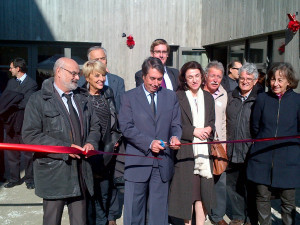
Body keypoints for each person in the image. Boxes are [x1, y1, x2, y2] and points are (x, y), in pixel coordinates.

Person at [22, 57, 101, 225]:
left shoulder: (83, 98)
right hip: (53, 174)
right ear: (58, 71)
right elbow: (30, 136)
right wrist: (65, 148)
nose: (77, 77)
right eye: (73, 73)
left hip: (81, 173)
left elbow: (95, 126)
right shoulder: (38, 100)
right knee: (52, 221)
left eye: (78, 74)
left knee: (80, 221)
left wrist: (91, 142)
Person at [119, 57, 181, 225]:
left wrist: (175, 137)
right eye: (152, 78)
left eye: (159, 79)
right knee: (134, 214)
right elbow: (126, 127)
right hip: (137, 163)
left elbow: (176, 124)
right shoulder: (129, 97)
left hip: (162, 163)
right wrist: (148, 143)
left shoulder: (170, 96)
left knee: (158, 215)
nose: (156, 83)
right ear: (144, 76)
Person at [247, 62, 300, 225]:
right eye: (272, 79)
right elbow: (255, 126)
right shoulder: (262, 98)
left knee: (288, 202)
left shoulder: (297, 100)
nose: (275, 83)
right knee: (262, 198)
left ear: (289, 81)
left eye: (280, 80)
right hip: (262, 158)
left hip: (288, 160)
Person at [168, 61, 215, 225]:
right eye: (190, 77)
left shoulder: (208, 97)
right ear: (184, 79)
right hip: (186, 153)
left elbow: (212, 122)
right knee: (187, 196)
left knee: (202, 196)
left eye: (197, 76)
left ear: (202, 77)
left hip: (204, 154)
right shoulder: (177, 97)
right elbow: (174, 124)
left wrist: (209, 128)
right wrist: (193, 131)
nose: (194, 80)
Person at [81, 60, 122, 225]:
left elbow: (114, 120)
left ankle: (103, 220)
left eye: (103, 75)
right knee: (90, 194)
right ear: (88, 77)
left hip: (107, 150)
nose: (101, 79)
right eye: (97, 75)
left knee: (104, 191)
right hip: (89, 151)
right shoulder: (80, 95)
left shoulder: (108, 92)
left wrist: (115, 139)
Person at [226, 63, 259, 225]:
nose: (245, 81)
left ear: (255, 81)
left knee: (250, 187)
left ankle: (251, 217)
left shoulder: (260, 98)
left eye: (249, 79)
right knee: (233, 186)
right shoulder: (231, 96)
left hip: (251, 152)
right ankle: (238, 216)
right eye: (242, 78)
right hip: (232, 150)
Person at [0, 58, 38, 189]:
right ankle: (14, 178)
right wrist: (14, 100)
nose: (9, 70)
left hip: (24, 124)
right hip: (10, 124)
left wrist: (12, 102)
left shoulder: (31, 84)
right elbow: (4, 100)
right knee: (12, 153)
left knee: (28, 154)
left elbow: (26, 103)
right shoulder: (10, 82)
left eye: (11, 67)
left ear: (18, 68)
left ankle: (29, 179)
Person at [203, 61, 228, 225]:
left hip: (219, 143)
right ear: (205, 76)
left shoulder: (224, 93)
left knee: (220, 181)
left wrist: (224, 143)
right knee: (202, 179)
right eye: (212, 75)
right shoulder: (196, 92)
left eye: (219, 76)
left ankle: (218, 216)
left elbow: (224, 120)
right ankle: (201, 212)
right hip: (200, 143)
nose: (215, 79)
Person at [87, 46, 125, 113]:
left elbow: (121, 108)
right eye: (96, 60)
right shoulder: (81, 83)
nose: (100, 62)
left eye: (102, 58)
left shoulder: (118, 81)